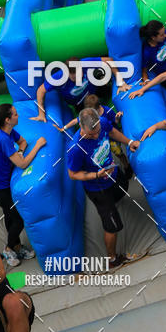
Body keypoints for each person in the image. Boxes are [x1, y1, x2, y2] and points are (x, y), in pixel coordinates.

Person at [67, 108, 140, 269]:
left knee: (123, 189)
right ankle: (112, 258)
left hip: (113, 174)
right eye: (91, 134)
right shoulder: (76, 149)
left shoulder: (102, 123)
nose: (95, 136)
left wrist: (129, 142)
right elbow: (72, 174)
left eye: (97, 132)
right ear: (80, 125)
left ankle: (113, 205)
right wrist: (96, 175)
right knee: (113, 226)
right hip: (98, 189)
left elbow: (112, 132)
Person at [0, 104, 45, 267]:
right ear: (7, 120)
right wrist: (38, 145)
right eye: (16, 115)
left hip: (3, 183)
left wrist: (19, 151)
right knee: (18, 218)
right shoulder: (2, 139)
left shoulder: (8, 132)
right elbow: (23, 164)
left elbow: (23, 142)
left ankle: (17, 246)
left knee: (9, 214)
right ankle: (9, 248)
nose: (18, 116)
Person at [30, 56, 120, 125]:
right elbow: (41, 90)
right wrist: (41, 113)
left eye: (78, 76)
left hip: (94, 90)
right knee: (90, 119)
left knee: (105, 87)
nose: (77, 80)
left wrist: (121, 81)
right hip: (79, 103)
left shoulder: (85, 63)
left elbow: (109, 60)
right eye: (73, 78)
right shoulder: (60, 76)